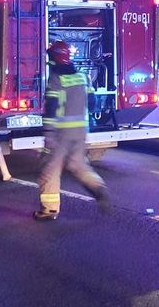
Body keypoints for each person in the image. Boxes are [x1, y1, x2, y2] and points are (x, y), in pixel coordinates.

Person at [35, 41, 109, 220]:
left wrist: (48, 135)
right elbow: (92, 103)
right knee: (78, 165)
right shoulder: (83, 77)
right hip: (80, 131)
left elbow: (51, 109)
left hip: (61, 133)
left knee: (50, 169)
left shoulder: (55, 79)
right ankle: (98, 188)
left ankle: (49, 209)